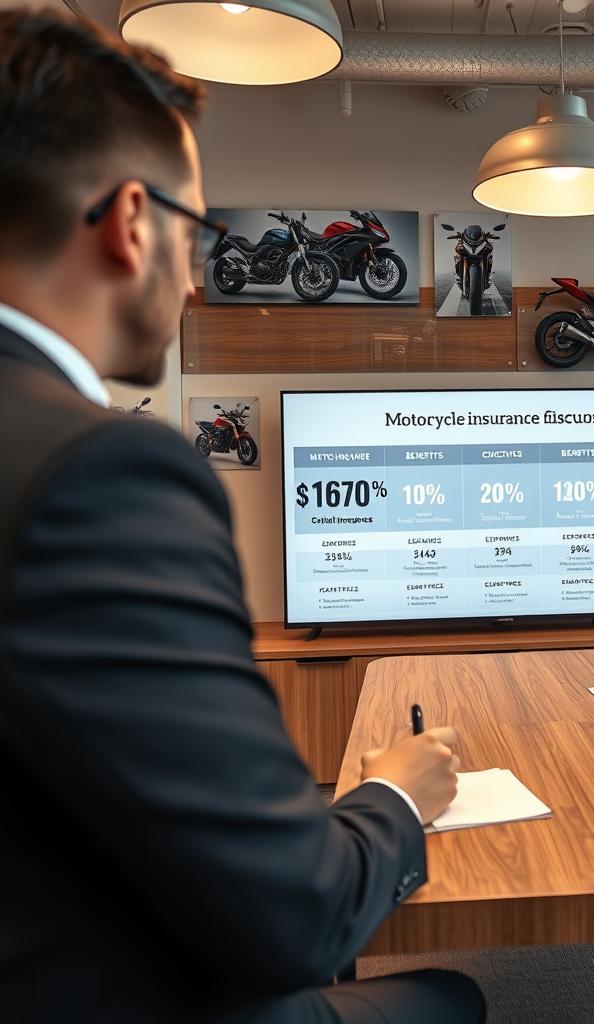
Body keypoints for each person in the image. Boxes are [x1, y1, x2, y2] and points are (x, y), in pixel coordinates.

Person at [0, 12, 483, 1024]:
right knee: (450, 999)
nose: (190, 276)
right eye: (195, 231)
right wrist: (396, 794)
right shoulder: (101, 471)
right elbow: (293, 920)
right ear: (133, 221)